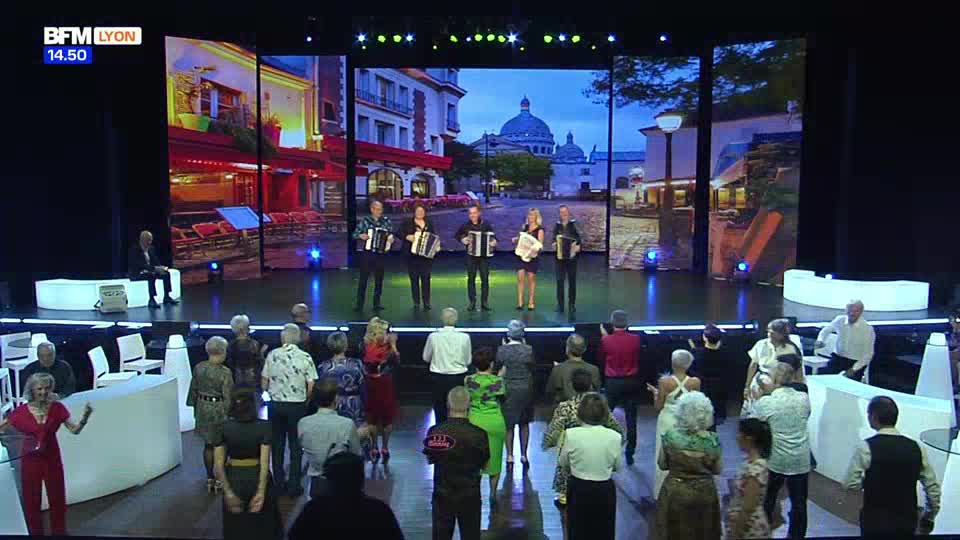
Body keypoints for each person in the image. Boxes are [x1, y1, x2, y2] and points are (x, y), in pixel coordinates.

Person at [0, 373, 93, 536]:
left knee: (57, 499)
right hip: (30, 459)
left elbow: (75, 430)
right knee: (31, 500)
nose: (43, 392)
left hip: (52, 457)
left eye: (46, 388)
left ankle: (59, 533)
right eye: (39, 389)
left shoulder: (57, 408)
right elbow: (2, 429)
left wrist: (85, 417)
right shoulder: (20, 412)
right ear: (32, 390)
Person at [543, 371, 624, 540]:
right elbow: (619, 441)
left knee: (575, 524)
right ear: (591, 385)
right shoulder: (603, 412)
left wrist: (552, 443)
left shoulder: (565, 410)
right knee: (603, 527)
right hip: (603, 482)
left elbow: (552, 440)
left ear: (572, 385)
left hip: (574, 477)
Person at [844, 396, 941, 537]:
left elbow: (850, 483)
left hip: (874, 521)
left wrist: (869, 482)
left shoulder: (865, 447)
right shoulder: (916, 447)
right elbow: (932, 489)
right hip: (907, 520)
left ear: (873, 417)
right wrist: (929, 516)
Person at [213, 388, 283, 540]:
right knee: (264, 527)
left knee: (236, 528)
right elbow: (265, 462)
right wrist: (261, 492)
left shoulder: (223, 427)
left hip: (234, 478)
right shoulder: (264, 426)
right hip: (256, 476)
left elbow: (218, 465)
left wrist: (228, 492)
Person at [752, 362, 811, 539]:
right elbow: (807, 415)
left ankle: (764, 532)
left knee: (768, 498)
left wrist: (760, 397)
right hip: (800, 458)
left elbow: (757, 422)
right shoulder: (803, 398)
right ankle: (797, 535)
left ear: (774, 379)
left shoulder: (767, 402)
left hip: (776, 458)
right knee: (799, 503)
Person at [288, 451, 404, 540]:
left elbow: (294, 536)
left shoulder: (313, 510)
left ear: (331, 482)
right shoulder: (380, 511)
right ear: (360, 480)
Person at [423, 386, 490, 540]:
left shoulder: (435, 432)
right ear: (469, 405)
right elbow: (484, 464)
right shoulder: (479, 434)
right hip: (470, 494)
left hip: (443, 494)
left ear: (448, 404)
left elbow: (430, 459)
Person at [655, 391, 723, 540]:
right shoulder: (713, 441)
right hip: (705, 494)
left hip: (675, 492)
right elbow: (718, 470)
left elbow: (662, 464)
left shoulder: (670, 437)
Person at [261, 323, 318, 496]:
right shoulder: (305, 357)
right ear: (298, 338)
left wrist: (268, 394)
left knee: (277, 445)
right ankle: (294, 485)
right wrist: (306, 399)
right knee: (295, 445)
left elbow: (264, 381)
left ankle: (278, 483)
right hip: (297, 406)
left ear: (282, 337)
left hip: (276, 405)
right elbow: (311, 383)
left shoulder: (272, 354)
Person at [559, 393, 623, 540]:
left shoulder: (571, 434)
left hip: (578, 487)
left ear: (580, 412)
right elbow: (617, 466)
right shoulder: (615, 436)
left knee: (578, 529)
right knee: (604, 530)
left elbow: (563, 462)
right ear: (605, 412)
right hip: (604, 489)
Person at [647, 349, 701, 499]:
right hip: (686, 420)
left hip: (667, 420)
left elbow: (658, 406)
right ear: (689, 364)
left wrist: (655, 394)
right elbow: (696, 404)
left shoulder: (665, 382)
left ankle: (662, 491)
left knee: (663, 453)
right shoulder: (695, 382)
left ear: (672, 363)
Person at [298, 378, 362, 498]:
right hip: (341, 484)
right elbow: (356, 455)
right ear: (336, 399)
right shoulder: (347, 424)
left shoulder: (303, 423)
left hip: (315, 485)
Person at [187, 336, 234, 492]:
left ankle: (209, 478)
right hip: (218, 409)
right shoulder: (225, 372)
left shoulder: (199, 367)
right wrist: (230, 414)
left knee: (208, 445)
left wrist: (195, 409)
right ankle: (220, 479)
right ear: (223, 352)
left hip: (202, 407)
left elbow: (193, 389)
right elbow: (228, 396)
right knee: (220, 444)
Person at [599, 309, 642, 465]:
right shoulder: (636, 339)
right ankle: (630, 453)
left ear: (612, 323)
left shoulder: (606, 340)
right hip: (631, 381)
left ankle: (605, 451)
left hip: (613, 382)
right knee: (631, 419)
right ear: (627, 323)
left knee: (606, 417)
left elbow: (602, 357)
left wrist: (605, 336)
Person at [464, 347, 506, 506]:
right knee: (495, 460)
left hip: (474, 422)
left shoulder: (468, 380)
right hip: (495, 422)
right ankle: (493, 494)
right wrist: (500, 376)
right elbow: (502, 399)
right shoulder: (498, 381)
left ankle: (475, 493)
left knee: (474, 461)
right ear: (491, 364)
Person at [742, 318, 804, 415]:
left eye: (772, 333)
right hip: (763, 377)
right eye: (768, 332)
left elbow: (798, 371)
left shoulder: (791, 348)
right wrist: (747, 386)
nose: (769, 334)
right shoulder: (761, 344)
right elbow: (753, 365)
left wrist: (799, 387)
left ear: (781, 334)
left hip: (785, 381)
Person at [725, 418, 773, 539]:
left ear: (749, 438)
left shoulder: (757, 468)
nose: (736, 437)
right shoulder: (749, 463)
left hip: (749, 529)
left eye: (739, 433)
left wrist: (736, 533)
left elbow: (748, 506)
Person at [361, 317, 400, 463]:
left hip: (370, 383)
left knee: (372, 417)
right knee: (386, 418)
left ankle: (374, 447)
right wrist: (394, 345)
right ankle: (385, 447)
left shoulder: (364, 345)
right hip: (384, 383)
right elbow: (397, 362)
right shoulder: (388, 348)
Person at [423, 307, 472, 424]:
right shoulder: (465, 337)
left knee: (439, 409)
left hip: (438, 378)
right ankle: (458, 432)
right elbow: (468, 361)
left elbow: (426, 358)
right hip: (458, 377)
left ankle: (441, 432)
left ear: (442, 319)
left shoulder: (433, 336)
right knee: (458, 409)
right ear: (456, 319)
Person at [497, 320, 535, 468]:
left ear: (508, 334)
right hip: (525, 389)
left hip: (508, 389)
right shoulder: (528, 350)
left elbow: (499, 367)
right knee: (524, 423)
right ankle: (524, 455)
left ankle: (509, 455)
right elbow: (532, 367)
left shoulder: (502, 350)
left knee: (508, 424)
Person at [816, 299, 876, 380]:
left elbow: (868, 354)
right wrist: (820, 340)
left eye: (855, 311)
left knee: (849, 383)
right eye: (849, 311)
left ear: (861, 312)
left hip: (856, 362)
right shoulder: (839, 320)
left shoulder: (867, 329)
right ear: (846, 310)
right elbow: (825, 331)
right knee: (824, 379)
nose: (852, 313)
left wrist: (854, 369)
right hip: (838, 358)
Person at [353, 200, 395, 312]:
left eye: (381, 209)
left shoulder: (386, 221)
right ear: (372, 209)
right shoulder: (365, 221)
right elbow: (355, 234)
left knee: (379, 280)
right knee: (363, 279)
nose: (379, 212)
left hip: (381, 254)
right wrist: (361, 236)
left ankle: (377, 303)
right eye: (377, 209)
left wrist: (391, 238)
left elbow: (391, 234)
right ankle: (359, 304)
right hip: (368, 253)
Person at [316, 332, 366, 426]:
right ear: (346, 345)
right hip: (354, 404)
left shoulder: (323, 366)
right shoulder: (357, 364)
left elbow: (321, 390)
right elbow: (363, 387)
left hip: (332, 404)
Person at [454, 205, 496, 311]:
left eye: (474, 213)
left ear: (479, 213)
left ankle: (484, 302)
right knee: (471, 279)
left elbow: (493, 237)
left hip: (484, 256)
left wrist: (494, 241)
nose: (472, 215)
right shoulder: (465, 226)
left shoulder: (486, 224)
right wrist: (463, 239)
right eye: (470, 213)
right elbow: (457, 235)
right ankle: (472, 302)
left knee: (485, 279)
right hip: (471, 256)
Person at [688, 323, 729, 425]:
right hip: (719, 392)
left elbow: (691, 370)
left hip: (703, 391)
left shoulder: (696, 353)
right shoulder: (725, 354)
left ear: (704, 337)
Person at [545, 334, 600, 405]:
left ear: (567, 349)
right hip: (586, 410)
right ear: (584, 349)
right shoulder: (594, 370)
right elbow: (596, 394)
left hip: (563, 410)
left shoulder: (558, 369)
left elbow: (550, 393)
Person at [128, 229, 178, 308]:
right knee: (151, 276)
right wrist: (154, 268)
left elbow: (155, 261)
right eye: (148, 240)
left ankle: (167, 296)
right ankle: (151, 300)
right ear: (142, 240)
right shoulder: (135, 249)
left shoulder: (151, 248)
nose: (150, 242)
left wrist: (160, 267)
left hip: (150, 271)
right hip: (137, 272)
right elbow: (140, 265)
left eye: (150, 240)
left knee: (166, 274)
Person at [400, 202, 436, 310]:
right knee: (414, 279)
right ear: (414, 212)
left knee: (426, 279)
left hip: (425, 256)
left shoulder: (429, 223)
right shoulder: (407, 223)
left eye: (422, 211)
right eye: (418, 211)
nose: (420, 213)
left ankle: (426, 302)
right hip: (411, 256)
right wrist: (407, 236)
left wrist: (436, 246)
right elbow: (398, 233)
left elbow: (433, 236)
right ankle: (416, 302)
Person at [512, 208, 545, 311]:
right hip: (521, 256)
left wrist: (534, 249)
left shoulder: (540, 230)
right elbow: (520, 240)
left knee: (531, 279)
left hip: (532, 257)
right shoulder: (525, 228)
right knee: (520, 277)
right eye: (529, 214)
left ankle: (531, 302)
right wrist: (516, 240)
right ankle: (520, 302)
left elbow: (540, 245)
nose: (530, 217)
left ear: (536, 217)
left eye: (533, 215)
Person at [553, 205, 582, 313]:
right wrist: (554, 244)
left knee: (572, 281)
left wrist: (578, 246)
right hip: (560, 258)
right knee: (560, 281)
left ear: (568, 212)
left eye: (565, 212)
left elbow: (579, 239)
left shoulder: (574, 225)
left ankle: (571, 305)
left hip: (572, 258)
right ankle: (560, 305)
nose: (563, 214)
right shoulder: (557, 226)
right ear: (559, 214)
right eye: (561, 212)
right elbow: (554, 239)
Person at [226, 314, 266, 391]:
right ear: (247, 327)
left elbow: (229, 364)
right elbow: (260, 363)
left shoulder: (230, 345)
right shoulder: (255, 345)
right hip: (253, 382)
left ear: (234, 329)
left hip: (236, 382)